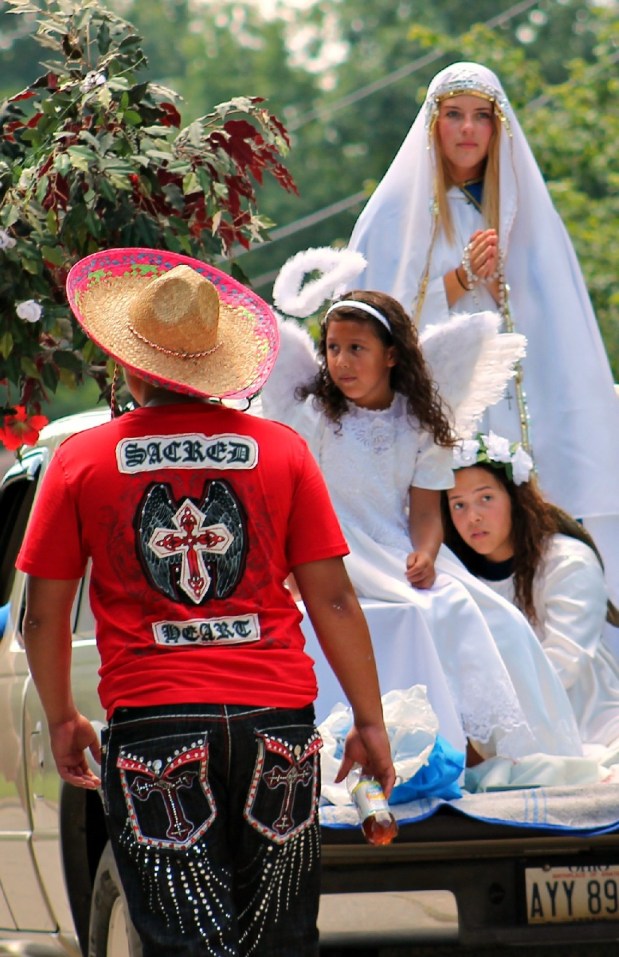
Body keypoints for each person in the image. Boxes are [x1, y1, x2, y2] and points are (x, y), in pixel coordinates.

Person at [15, 247, 395, 957]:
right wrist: (369, 720)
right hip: (277, 725)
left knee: (184, 945)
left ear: (129, 364)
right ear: (216, 365)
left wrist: (63, 716)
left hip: (155, 727)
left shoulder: (79, 460)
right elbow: (335, 601)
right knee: (280, 942)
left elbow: (42, 615)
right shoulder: (281, 451)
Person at [261, 287, 586, 768]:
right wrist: (291, 566)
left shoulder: (418, 423)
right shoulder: (318, 417)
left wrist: (428, 553)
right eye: (333, 348)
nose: (341, 361)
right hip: (337, 548)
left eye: (357, 348)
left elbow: (426, 511)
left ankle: (484, 744)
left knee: (491, 615)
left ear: (391, 355)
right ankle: (420, 738)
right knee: (423, 613)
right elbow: (291, 502)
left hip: (397, 547)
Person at [346, 60, 619, 614]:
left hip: (517, 413)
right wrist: (461, 280)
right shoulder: (395, 214)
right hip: (436, 415)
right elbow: (373, 325)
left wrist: (501, 290)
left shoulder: (525, 213)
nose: (467, 129)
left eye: (481, 116)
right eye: (454, 115)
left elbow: (558, 327)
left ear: (498, 127)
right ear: (434, 123)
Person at [442, 431, 619, 754]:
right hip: (504, 739)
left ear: (515, 498)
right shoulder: (456, 578)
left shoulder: (568, 562)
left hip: (592, 725)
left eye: (486, 498)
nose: (473, 517)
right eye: (459, 505)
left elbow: (565, 659)